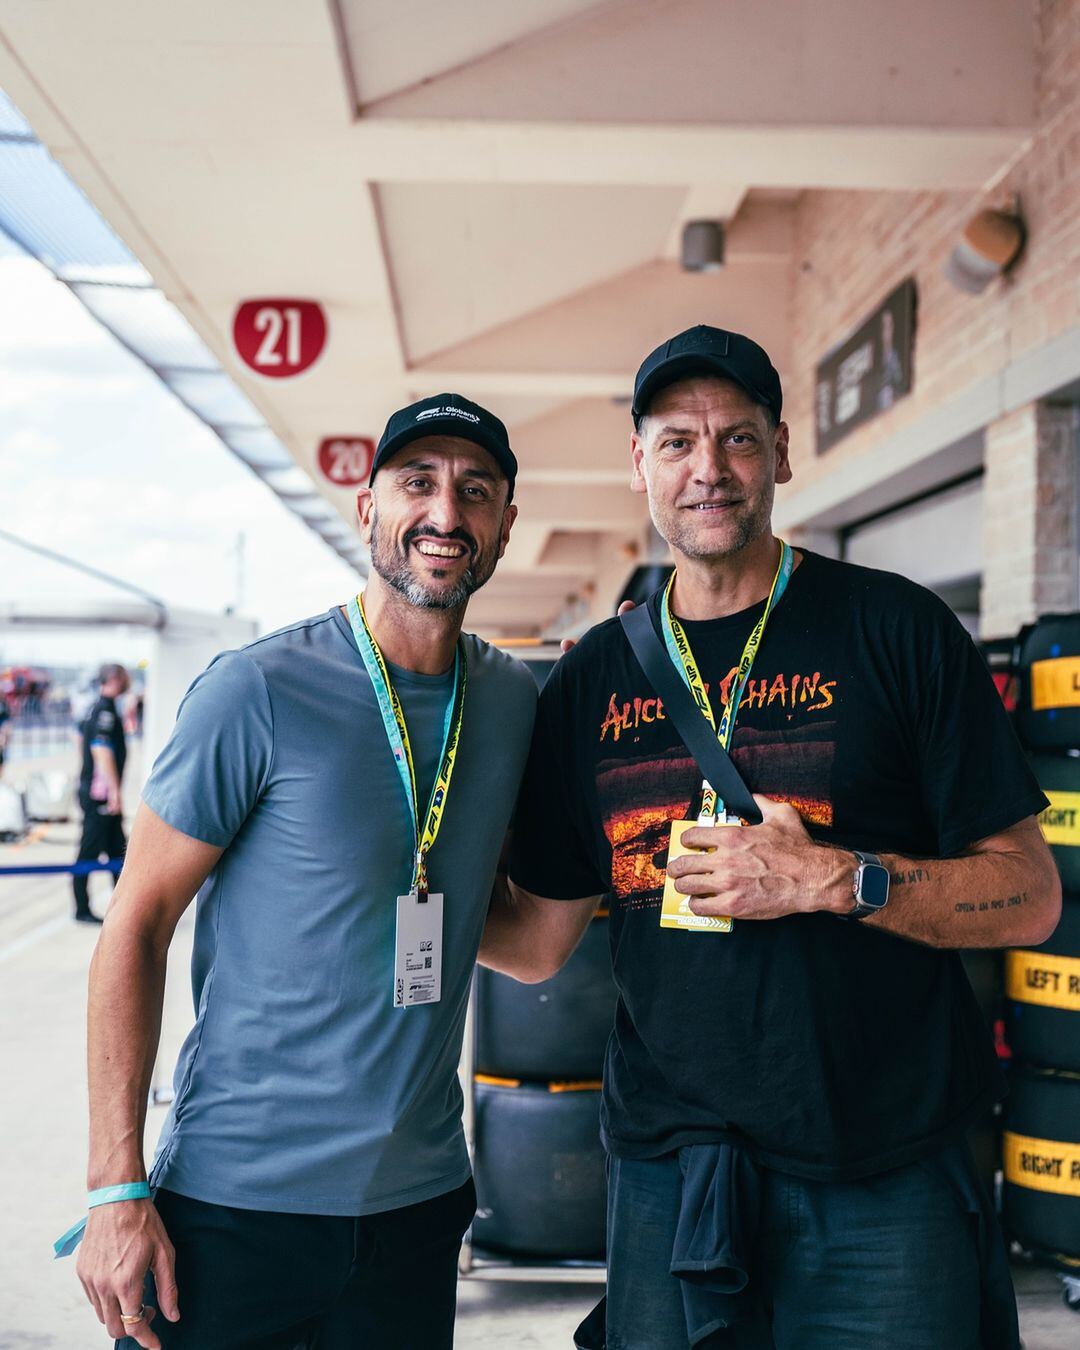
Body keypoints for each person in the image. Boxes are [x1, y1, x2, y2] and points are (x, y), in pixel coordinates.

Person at [481, 325, 1061, 1350]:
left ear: (782, 454)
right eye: (676, 443)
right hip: (673, 1173)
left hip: (884, 1171)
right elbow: (536, 940)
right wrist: (382, 869)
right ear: (639, 465)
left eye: (737, 439)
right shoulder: (591, 682)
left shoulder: (900, 632)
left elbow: (1028, 893)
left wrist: (842, 880)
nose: (709, 469)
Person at [70, 394, 536, 1349]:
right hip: (231, 1208)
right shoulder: (258, 690)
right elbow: (138, 922)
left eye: (475, 491)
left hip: (417, 1211)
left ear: (505, 526)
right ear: (367, 508)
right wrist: (117, 1189)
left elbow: (525, 944)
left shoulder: (512, 703)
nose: (445, 513)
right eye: (418, 483)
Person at [73, 663, 130, 924]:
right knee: (90, 852)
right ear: (115, 679)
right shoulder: (105, 710)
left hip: (97, 792)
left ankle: (125, 910)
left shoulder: (95, 708)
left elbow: (78, 737)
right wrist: (114, 792)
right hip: (100, 797)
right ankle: (82, 909)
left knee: (119, 852)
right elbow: (101, 750)